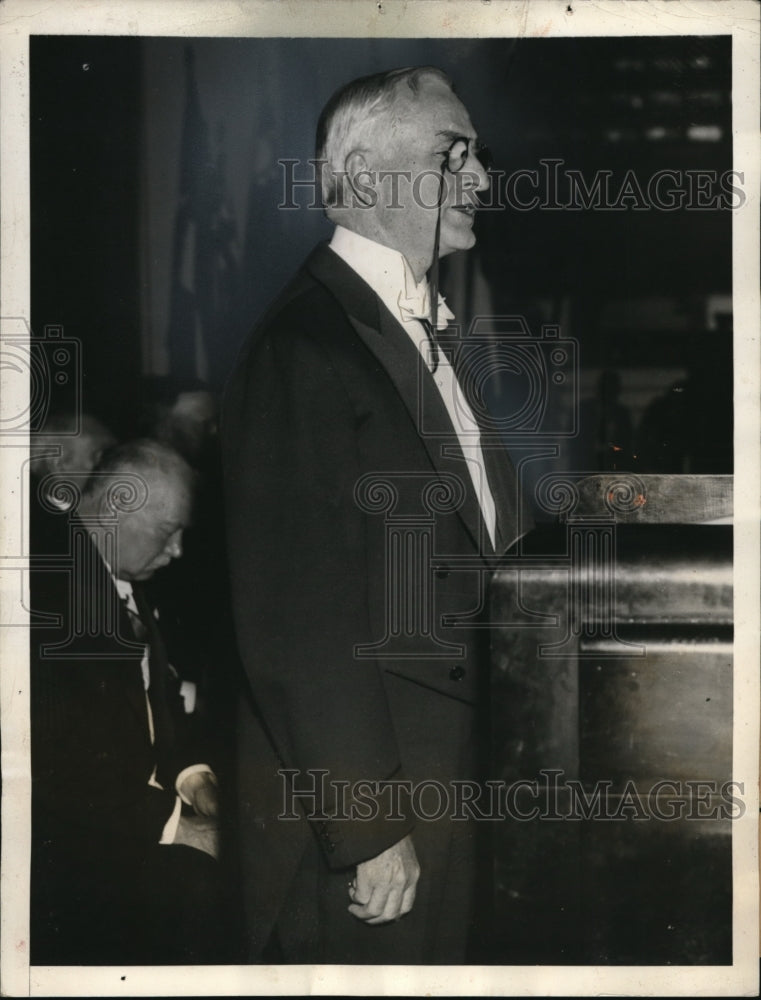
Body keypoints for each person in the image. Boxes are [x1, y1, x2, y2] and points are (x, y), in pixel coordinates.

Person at [222, 66, 526, 963]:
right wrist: (368, 827)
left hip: (449, 795)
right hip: (370, 836)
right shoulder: (304, 347)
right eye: (453, 153)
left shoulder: (415, 334)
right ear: (364, 177)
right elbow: (294, 615)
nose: (479, 179)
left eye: (478, 155)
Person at [30, 439, 223, 964]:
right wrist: (176, 823)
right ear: (115, 505)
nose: (179, 550)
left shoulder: (124, 573)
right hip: (73, 863)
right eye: (168, 531)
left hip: (126, 821)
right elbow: (45, 763)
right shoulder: (44, 589)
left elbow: (152, 706)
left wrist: (193, 777)